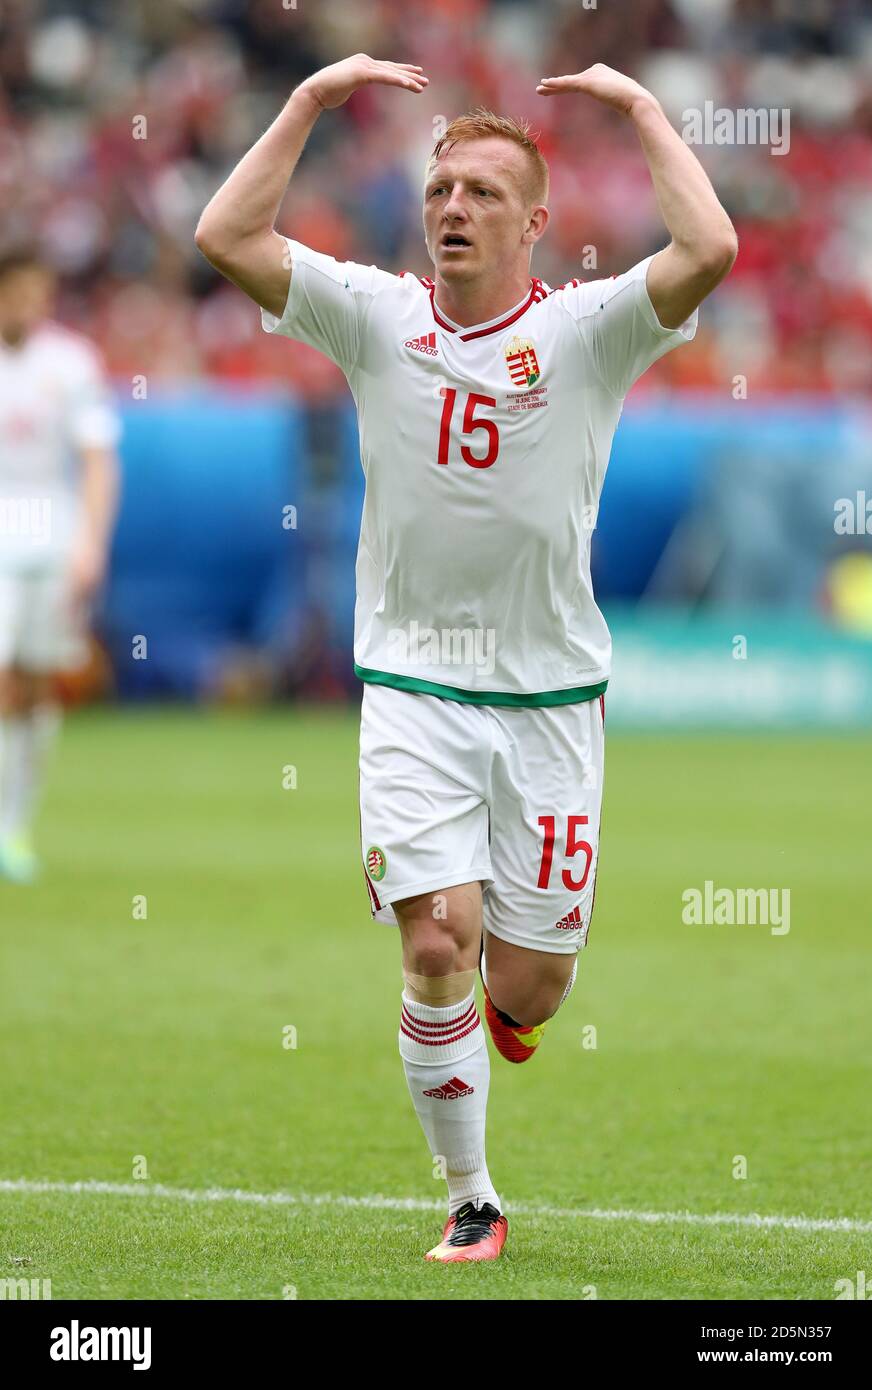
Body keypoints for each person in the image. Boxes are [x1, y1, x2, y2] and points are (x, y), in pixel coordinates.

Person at [195, 55, 737, 1262]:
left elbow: (708, 251)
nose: (453, 208)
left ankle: (501, 1004)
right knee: (437, 935)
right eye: (442, 187)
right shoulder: (373, 314)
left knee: (529, 987)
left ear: (537, 222)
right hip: (414, 690)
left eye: (486, 192)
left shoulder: (586, 332)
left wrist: (644, 111)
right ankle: (472, 1196)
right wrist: (306, 103)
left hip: (551, 701)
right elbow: (225, 231)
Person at [0, 251, 120, 883]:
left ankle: (14, 828)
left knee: (39, 684)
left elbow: (99, 458)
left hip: (50, 536)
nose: (27, 305)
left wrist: (91, 543)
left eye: (36, 293)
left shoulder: (69, 362)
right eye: (16, 293)